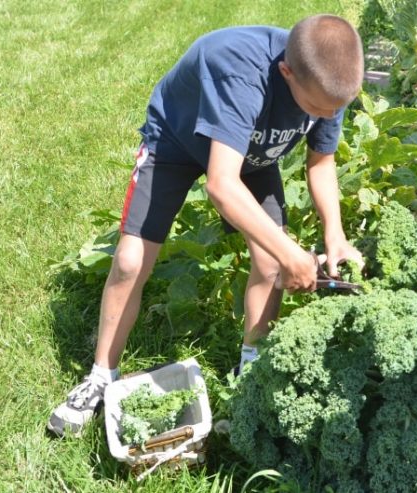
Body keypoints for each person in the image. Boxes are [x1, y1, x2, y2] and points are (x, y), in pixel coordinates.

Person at [48, 14, 365, 437]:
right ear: (286, 72)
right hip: (176, 142)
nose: (326, 116)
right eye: (316, 110)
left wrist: (335, 236)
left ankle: (251, 371)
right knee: (129, 261)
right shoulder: (237, 68)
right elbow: (220, 185)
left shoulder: (328, 83)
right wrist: (292, 251)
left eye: (334, 110)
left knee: (269, 266)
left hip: (253, 155)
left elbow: (321, 162)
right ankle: (101, 376)